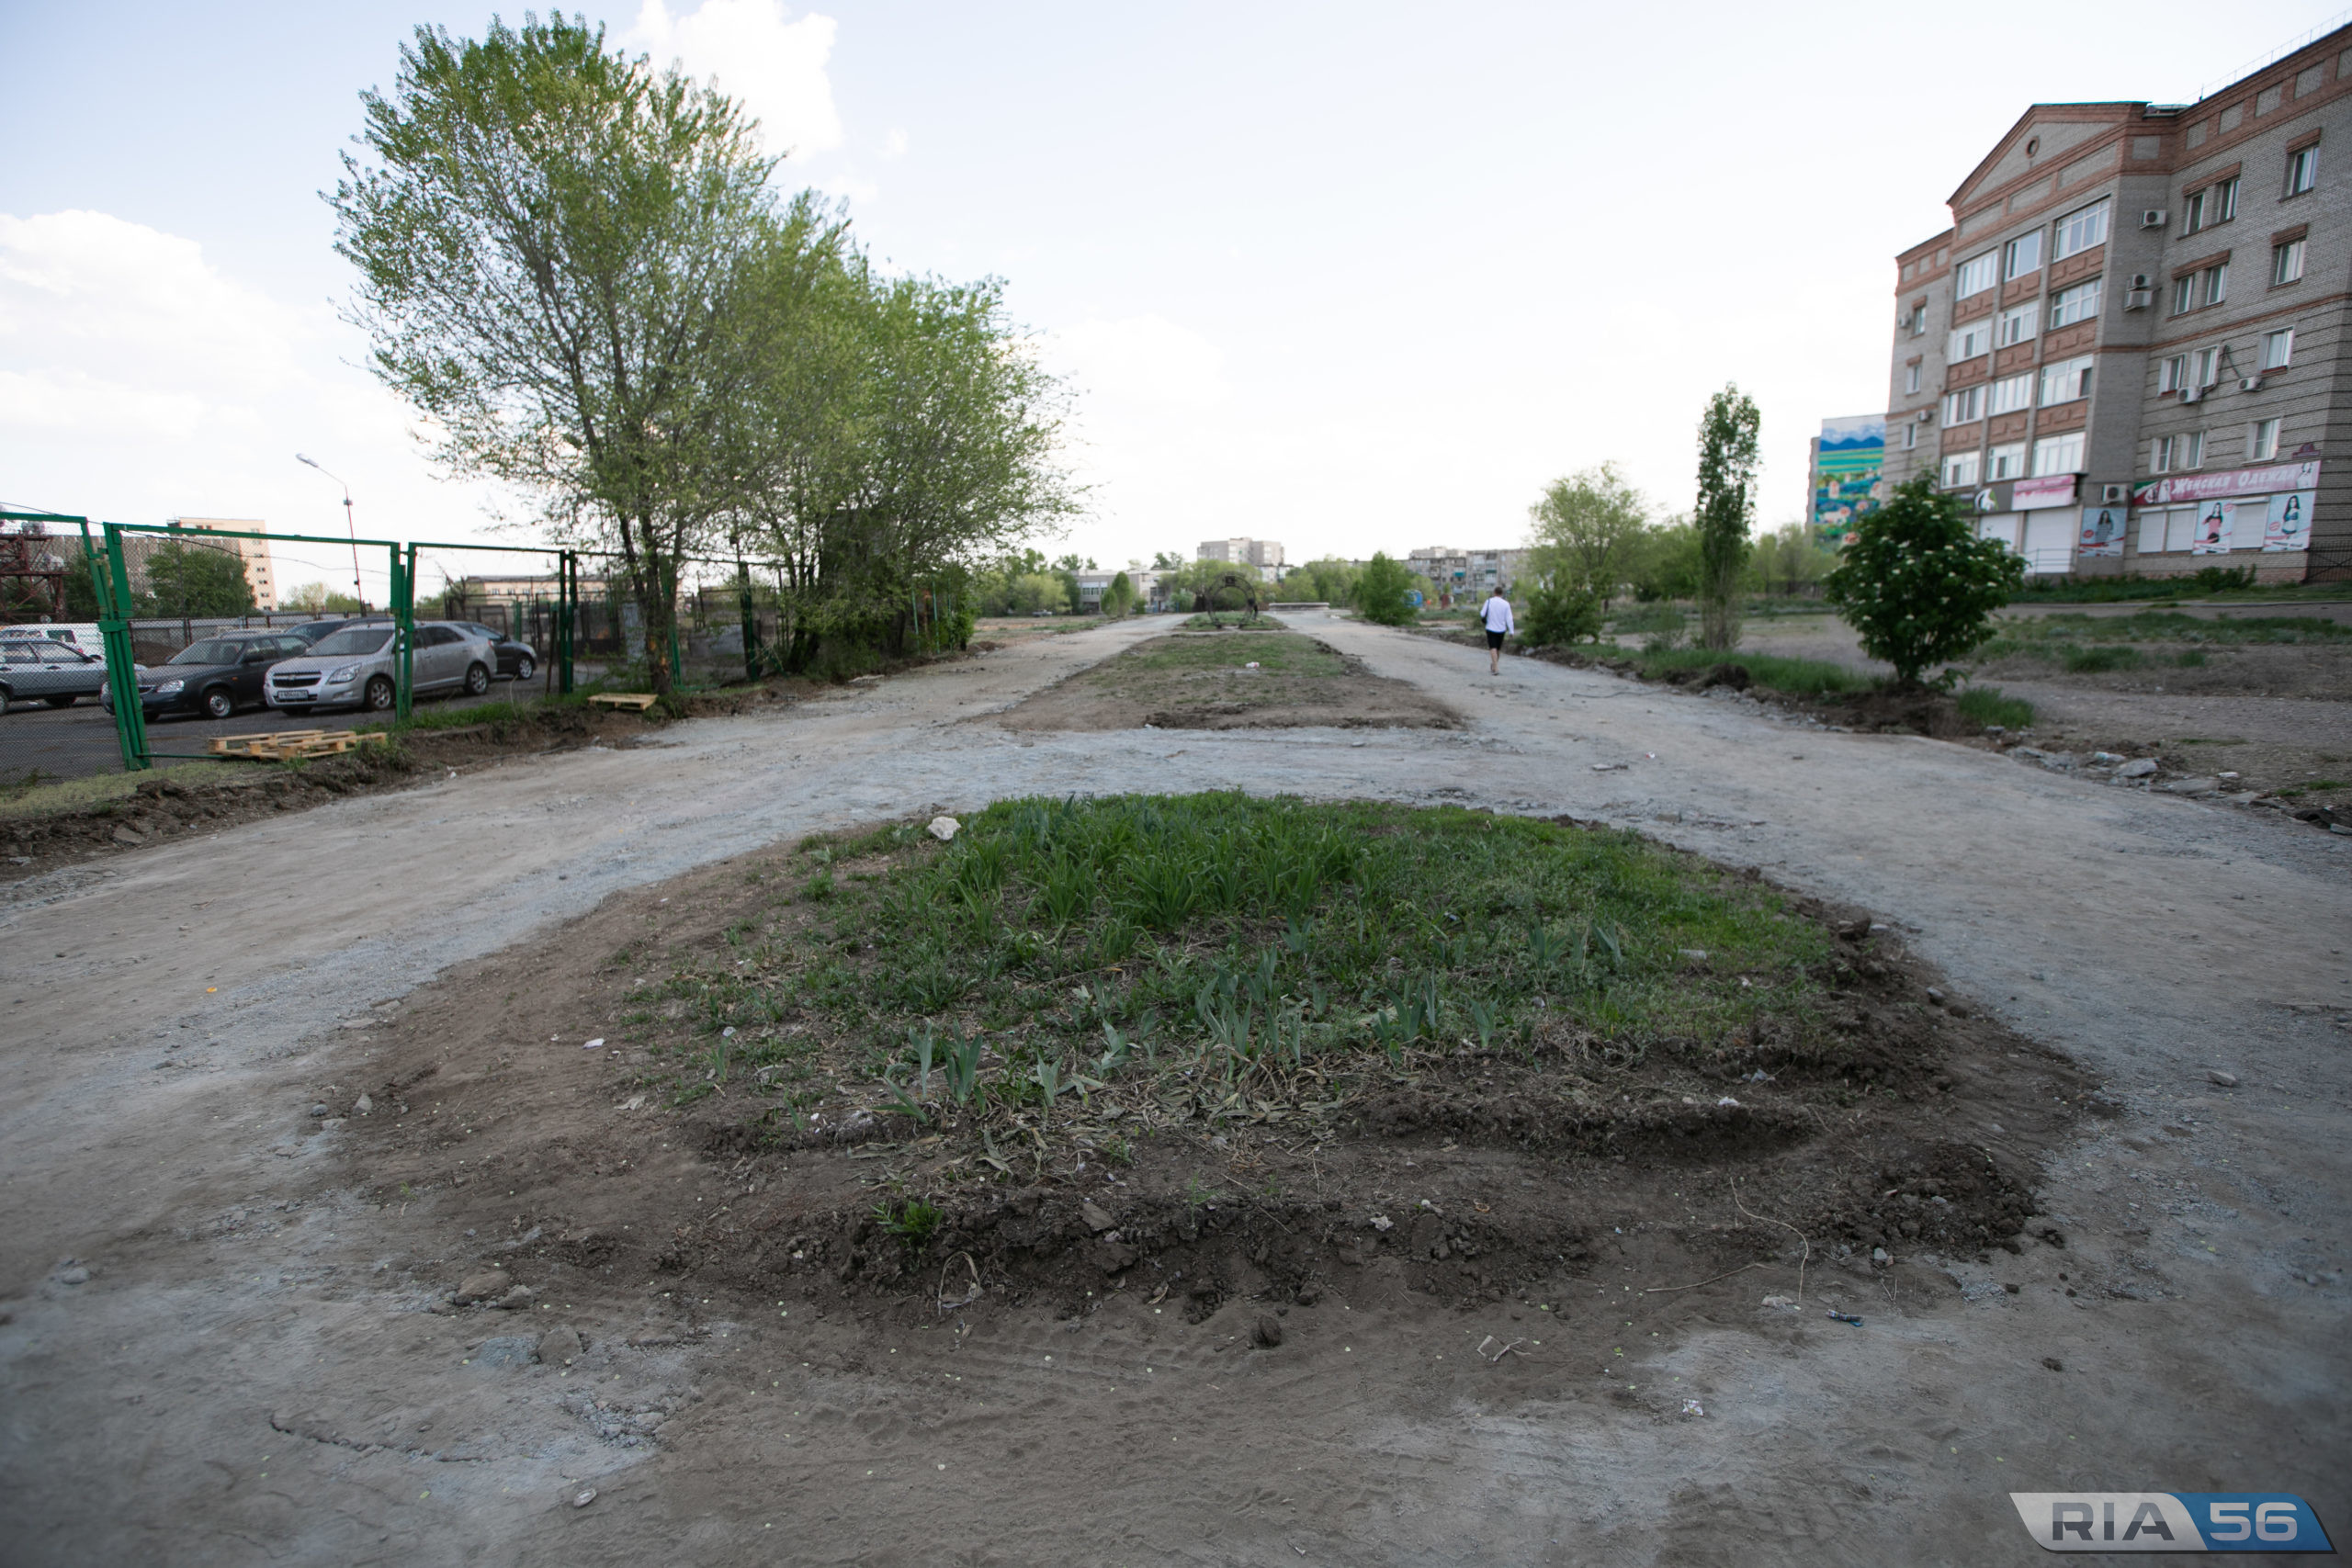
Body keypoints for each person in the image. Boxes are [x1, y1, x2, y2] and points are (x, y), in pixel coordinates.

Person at [1479, 589, 1514, 674]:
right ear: (1502, 593)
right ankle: (1495, 667)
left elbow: (1482, 614)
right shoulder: (1506, 604)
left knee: (1493, 648)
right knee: (1497, 649)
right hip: (1501, 629)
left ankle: (1495, 666)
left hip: (1490, 628)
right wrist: (1511, 631)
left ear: (1494, 593)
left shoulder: (1489, 601)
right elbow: (1509, 618)